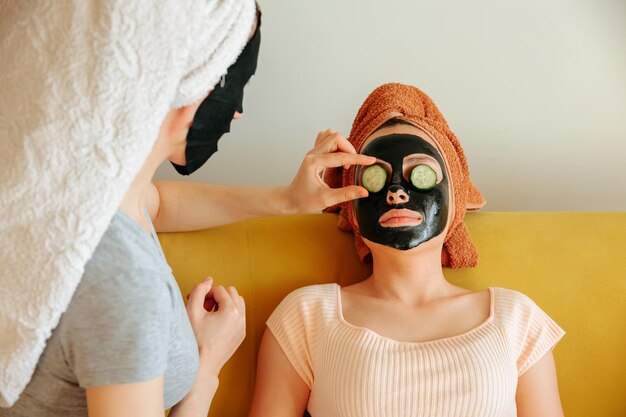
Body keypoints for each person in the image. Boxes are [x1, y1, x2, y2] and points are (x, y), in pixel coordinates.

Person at [0, 1, 374, 416]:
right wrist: (206, 365)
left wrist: (286, 201)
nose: (237, 111)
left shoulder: (76, 196)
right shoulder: (121, 284)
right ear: (183, 89)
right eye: (233, 85)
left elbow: (157, 204)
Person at [249, 83, 566, 417]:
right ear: (351, 206)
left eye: (421, 175)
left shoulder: (515, 318)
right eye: (375, 177)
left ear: (456, 195)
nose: (397, 193)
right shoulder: (307, 316)